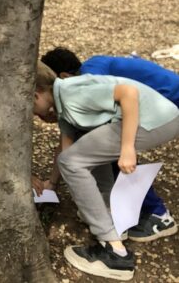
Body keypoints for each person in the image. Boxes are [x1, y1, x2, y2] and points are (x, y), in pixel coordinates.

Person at [34, 61, 179, 281]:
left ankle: (115, 254)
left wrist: (127, 148)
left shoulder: (72, 91)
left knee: (74, 161)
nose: (35, 116)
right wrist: (51, 185)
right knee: (82, 155)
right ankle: (112, 223)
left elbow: (128, 93)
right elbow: (66, 153)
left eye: (32, 110)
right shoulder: (64, 108)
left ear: (36, 95)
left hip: (156, 119)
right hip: (156, 118)